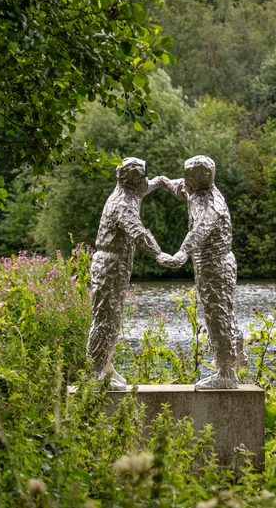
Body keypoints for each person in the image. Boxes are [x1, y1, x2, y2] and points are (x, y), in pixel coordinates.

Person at [158, 155, 245, 389]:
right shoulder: (195, 191)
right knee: (221, 311)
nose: (185, 180)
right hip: (208, 266)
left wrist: (181, 253)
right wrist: (161, 181)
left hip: (216, 266)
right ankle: (236, 354)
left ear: (200, 179)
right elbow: (178, 187)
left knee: (218, 316)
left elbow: (199, 231)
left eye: (189, 176)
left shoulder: (211, 204)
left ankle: (226, 373)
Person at [86, 157, 172, 390]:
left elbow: (149, 186)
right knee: (105, 319)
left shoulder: (130, 192)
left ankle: (105, 365)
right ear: (133, 180)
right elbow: (138, 233)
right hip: (110, 265)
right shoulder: (122, 203)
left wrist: (163, 182)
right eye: (142, 176)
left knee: (113, 317)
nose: (146, 180)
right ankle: (95, 374)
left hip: (118, 264)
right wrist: (159, 254)